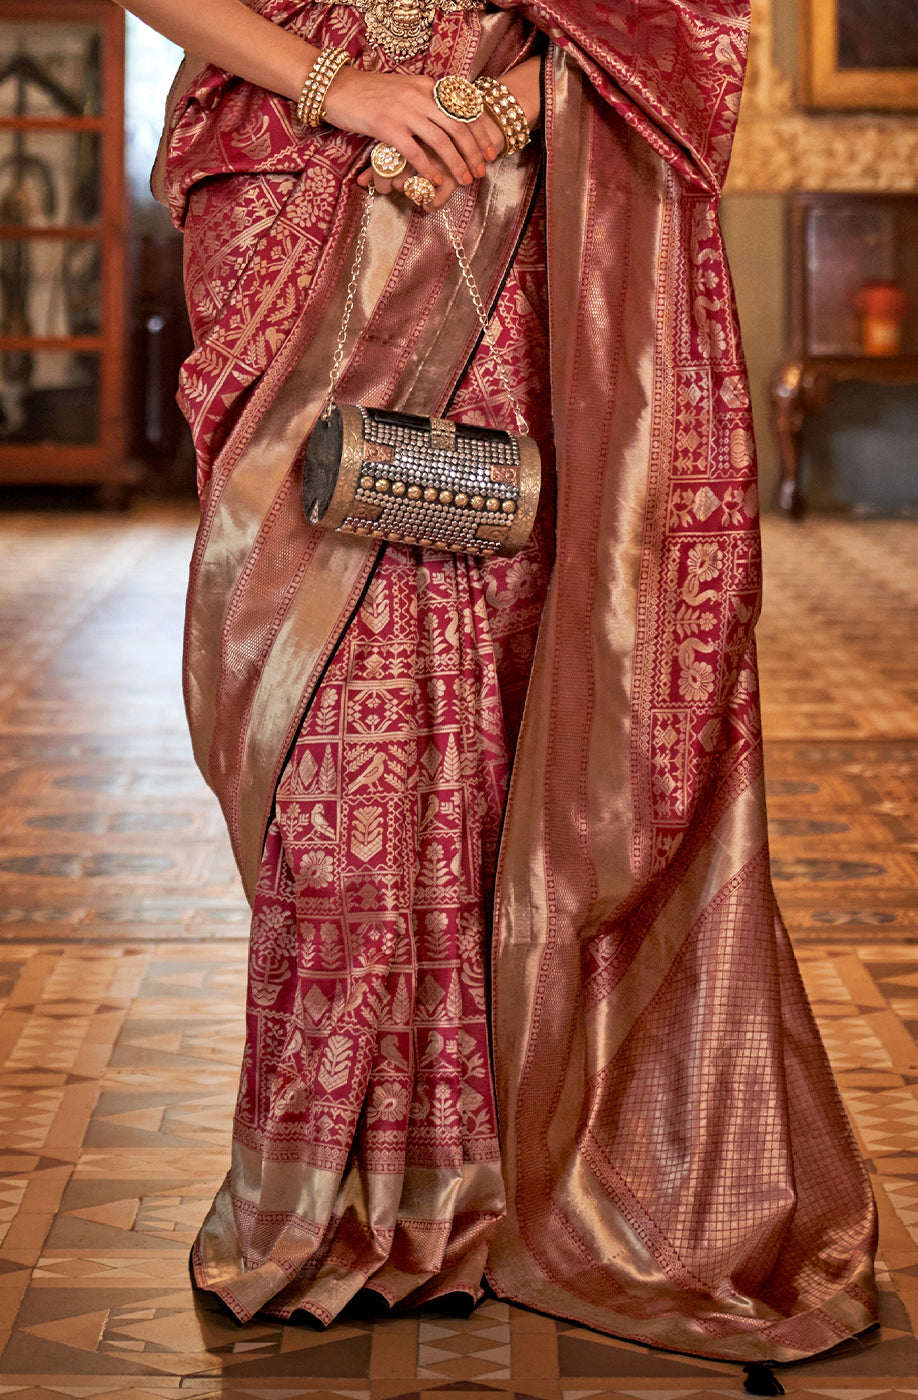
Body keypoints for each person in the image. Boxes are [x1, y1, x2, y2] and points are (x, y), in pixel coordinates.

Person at [119, 0, 878, 1368]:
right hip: (298, 183)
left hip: (506, 196)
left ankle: (486, 1181)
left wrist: (518, 103)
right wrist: (339, 85)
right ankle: (332, 1193)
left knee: (490, 711)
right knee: (329, 728)